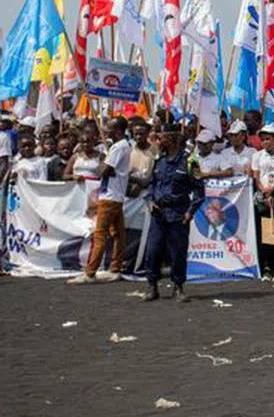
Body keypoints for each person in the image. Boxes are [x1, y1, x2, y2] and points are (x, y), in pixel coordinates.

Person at [141, 124, 204, 302]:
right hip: (159, 212)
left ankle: (178, 286)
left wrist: (190, 212)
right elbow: (152, 184)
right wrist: (150, 200)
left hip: (178, 212)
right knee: (153, 250)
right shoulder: (159, 160)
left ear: (175, 139)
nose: (161, 140)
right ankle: (152, 285)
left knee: (178, 252)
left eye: (165, 137)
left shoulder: (190, 162)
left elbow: (199, 191)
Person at [69, 118, 132, 283]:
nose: (105, 131)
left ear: (118, 131)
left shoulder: (119, 147)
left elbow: (101, 171)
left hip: (110, 196)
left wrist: (104, 165)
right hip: (113, 194)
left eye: (109, 128)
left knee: (100, 234)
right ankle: (115, 268)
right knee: (118, 234)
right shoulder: (118, 146)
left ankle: (90, 272)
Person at [252, 124, 274, 278]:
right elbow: (256, 177)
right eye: (263, 140)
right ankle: (267, 266)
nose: (266, 142)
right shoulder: (257, 156)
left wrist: (273, 191)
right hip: (262, 197)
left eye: (269, 139)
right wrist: (264, 192)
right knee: (264, 232)